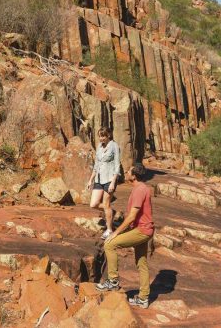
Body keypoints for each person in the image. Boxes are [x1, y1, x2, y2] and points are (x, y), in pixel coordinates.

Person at [96, 162, 154, 309]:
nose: (126, 172)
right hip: (144, 230)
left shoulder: (140, 190)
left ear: (133, 176)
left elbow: (132, 217)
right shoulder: (140, 188)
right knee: (141, 263)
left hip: (141, 231)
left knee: (109, 243)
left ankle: (113, 280)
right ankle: (143, 298)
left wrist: (115, 232)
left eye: (128, 171)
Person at [86, 127, 121, 240]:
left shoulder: (114, 146)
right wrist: (91, 180)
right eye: (100, 136)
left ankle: (109, 230)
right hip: (99, 179)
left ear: (108, 136)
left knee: (106, 204)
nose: (101, 138)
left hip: (110, 179)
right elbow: (96, 165)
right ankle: (110, 211)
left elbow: (117, 165)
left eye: (103, 136)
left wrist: (113, 182)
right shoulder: (99, 147)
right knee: (93, 204)